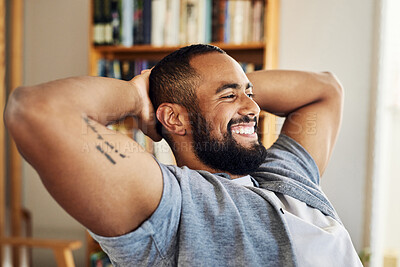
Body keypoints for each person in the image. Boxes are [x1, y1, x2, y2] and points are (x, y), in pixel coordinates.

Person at [4, 44, 362, 266]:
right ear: (174, 118)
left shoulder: (284, 172)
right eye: (230, 95)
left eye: (250, 93)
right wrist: (136, 96)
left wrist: (230, 87)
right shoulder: (171, 203)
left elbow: (325, 89)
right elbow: (35, 111)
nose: (254, 107)